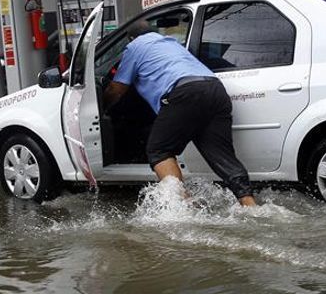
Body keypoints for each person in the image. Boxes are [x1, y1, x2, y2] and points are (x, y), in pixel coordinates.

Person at [103, 20, 256, 207]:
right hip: (215, 89)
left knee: (159, 150)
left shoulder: (135, 46)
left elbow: (117, 88)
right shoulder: (171, 43)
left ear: (132, 38)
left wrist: (104, 106)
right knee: (221, 154)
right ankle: (249, 204)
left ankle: (182, 208)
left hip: (184, 92)